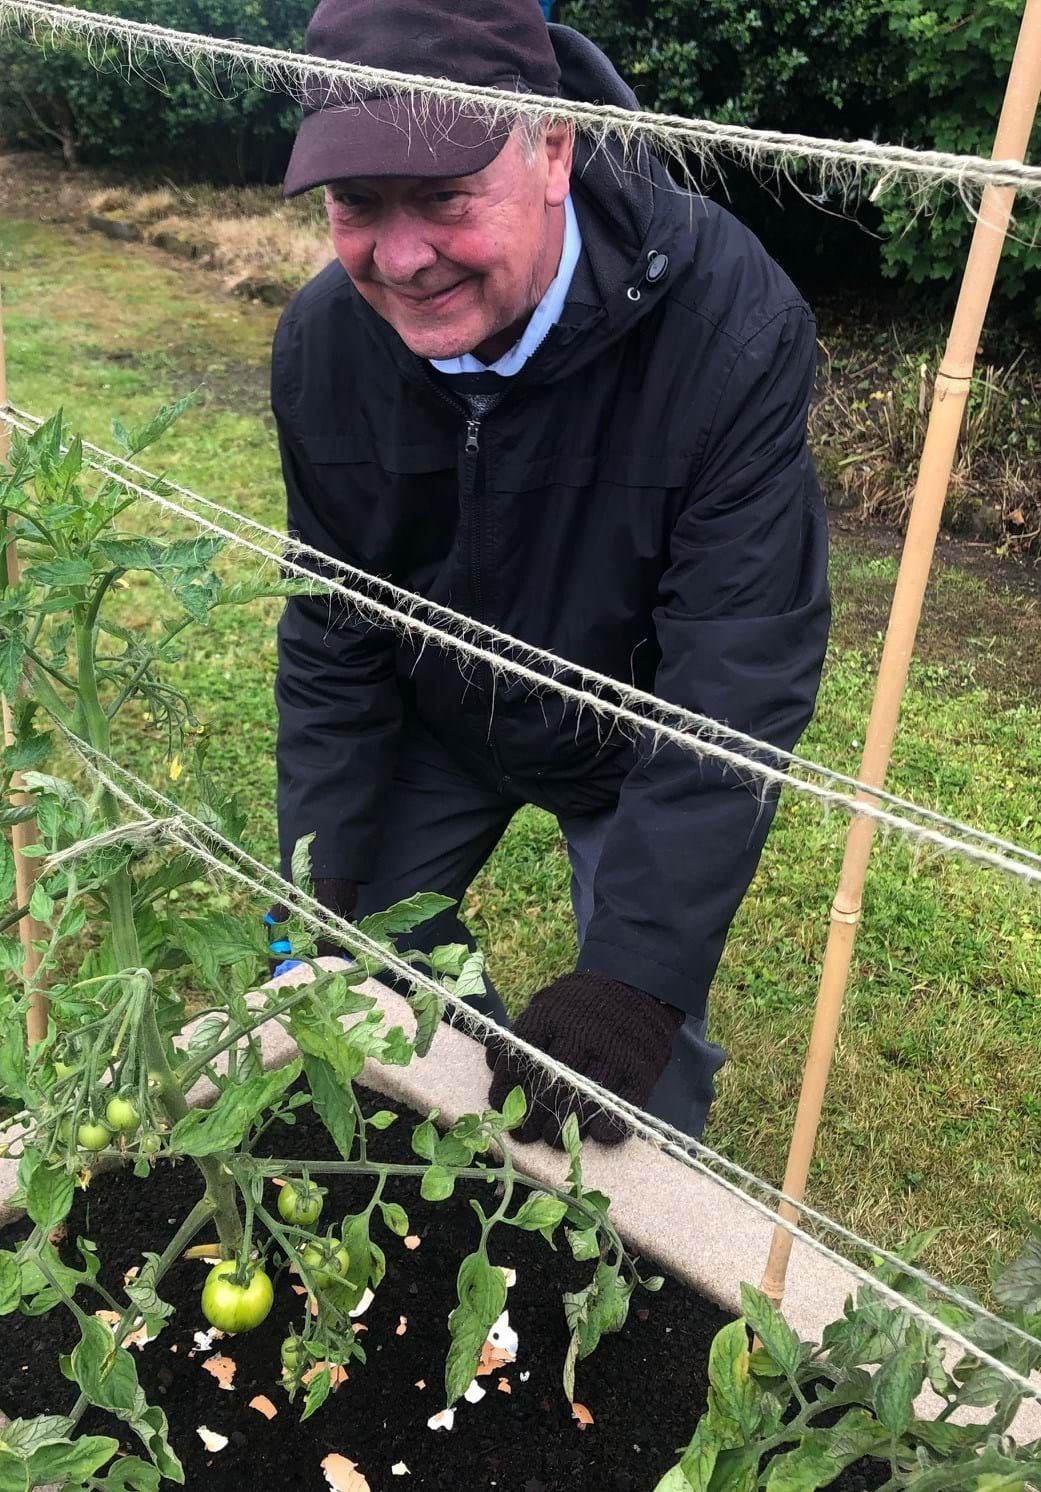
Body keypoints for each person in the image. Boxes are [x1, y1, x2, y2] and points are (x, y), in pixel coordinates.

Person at [267, 0, 830, 1146]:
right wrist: (318, 866)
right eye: (356, 203)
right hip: (441, 715)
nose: (402, 254)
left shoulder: (730, 325)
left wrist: (633, 976)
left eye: (442, 194)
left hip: (638, 734)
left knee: (631, 1073)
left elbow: (739, 657)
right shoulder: (325, 344)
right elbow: (336, 633)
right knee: (359, 976)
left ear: (554, 148)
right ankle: (460, 1120)